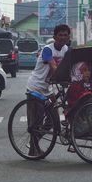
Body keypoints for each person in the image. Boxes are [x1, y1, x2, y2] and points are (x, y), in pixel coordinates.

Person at [25, 24, 71, 156]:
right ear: (54, 37)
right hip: (35, 88)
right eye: (60, 35)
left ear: (68, 37)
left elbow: (68, 67)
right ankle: (33, 149)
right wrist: (64, 78)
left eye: (65, 35)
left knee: (53, 121)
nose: (63, 37)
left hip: (48, 88)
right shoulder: (47, 50)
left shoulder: (66, 50)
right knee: (37, 121)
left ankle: (34, 142)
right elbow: (54, 67)